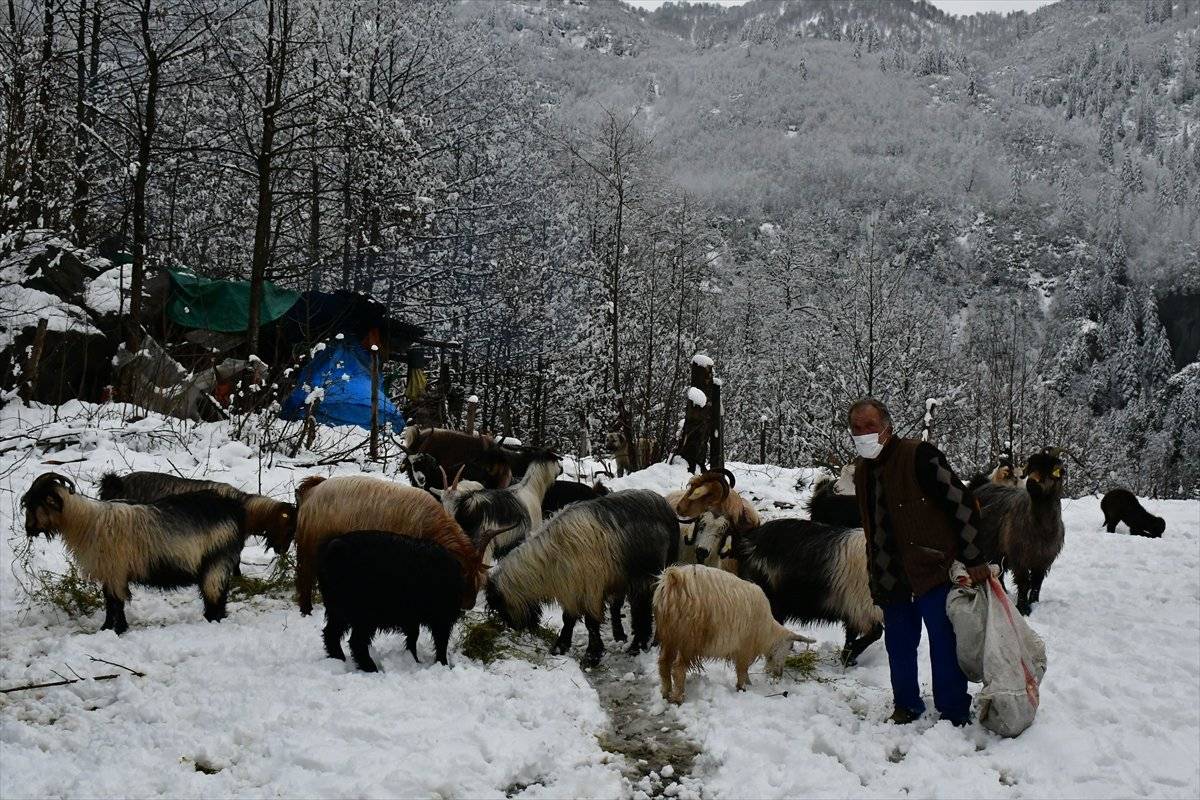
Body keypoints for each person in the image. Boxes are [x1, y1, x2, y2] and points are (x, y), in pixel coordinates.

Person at [848, 397, 993, 727]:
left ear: (887, 426)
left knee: (944, 644)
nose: (862, 434)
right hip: (890, 575)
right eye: (856, 428)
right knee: (899, 646)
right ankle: (906, 705)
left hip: (933, 570)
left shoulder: (919, 456)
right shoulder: (861, 471)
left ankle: (954, 710)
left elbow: (964, 504)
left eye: (869, 426)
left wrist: (972, 557)